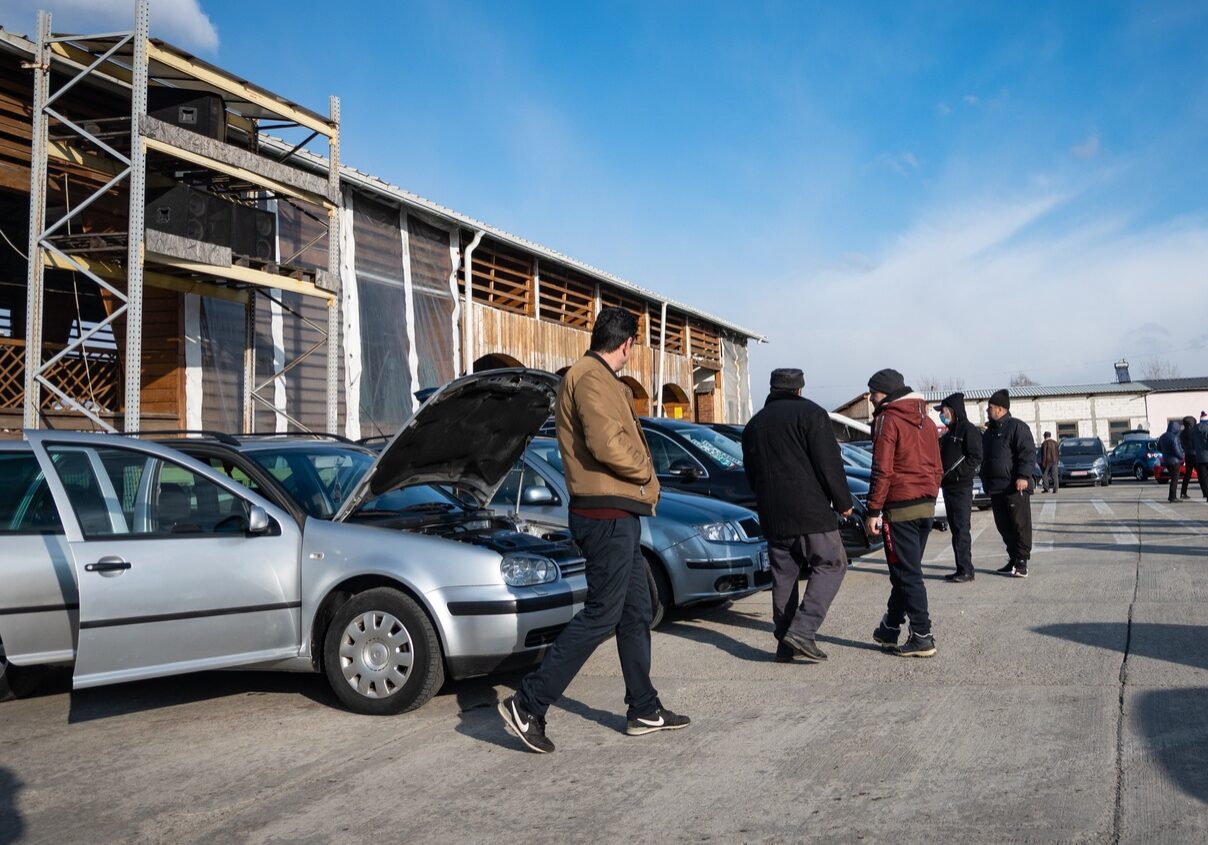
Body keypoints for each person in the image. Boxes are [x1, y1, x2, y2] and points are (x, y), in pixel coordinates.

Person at [498, 307, 689, 753]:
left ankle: (643, 707)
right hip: (605, 515)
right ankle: (528, 704)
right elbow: (607, 443)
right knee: (603, 613)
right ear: (625, 344)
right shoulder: (590, 377)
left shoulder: (598, 378)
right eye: (632, 346)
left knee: (636, 609)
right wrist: (646, 471)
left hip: (616, 512)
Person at [742, 368, 854, 662]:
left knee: (784, 577)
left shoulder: (754, 425)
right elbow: (829, 465)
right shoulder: (812, 415)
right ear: (800, 390)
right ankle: (803, 630)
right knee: (832, 563)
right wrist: (843, 502)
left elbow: (751, 475)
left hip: (773, 517)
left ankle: (785, 645)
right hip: (811, 513)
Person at [864, 369, 943, 658]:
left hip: (900, 508)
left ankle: (922, 634)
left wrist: (874, 509)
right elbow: (938, 465)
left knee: (908, 573)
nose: (870, 398)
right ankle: (890, 628)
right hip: (925, 505)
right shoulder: (927, 421)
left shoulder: (888, 418)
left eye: (872, 392)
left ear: (884, 392)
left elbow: (882, 469)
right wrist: (931, 493)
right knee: (904, 571)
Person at [980, 389, 1036, 578]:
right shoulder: (989, 433)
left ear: (1001, 409)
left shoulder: (1017, 427)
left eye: (990, 408)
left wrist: (1023, 476)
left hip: (1015, 486)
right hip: (996, 488)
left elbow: (1027, 453)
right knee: (1003, 526)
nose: (988, 411)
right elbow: (985, 458)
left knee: (1020, 525)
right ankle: (1013, 558)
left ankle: (1022, 561)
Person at [935, 392, 983, 583]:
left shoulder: (968, 430)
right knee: (955, 529)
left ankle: (966, 570)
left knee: (962, 528)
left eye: (944, 411)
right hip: (948, 487)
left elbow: (976, 457)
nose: (942, 414)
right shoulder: (948, 433)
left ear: (953, 410)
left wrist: (957, 473)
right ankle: (960, 567)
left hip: (961, 487)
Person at [1157, 420, 1185, 504]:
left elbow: (1158, 448)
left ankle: (1171, 496)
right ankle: (1172, 497)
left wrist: (1165, 453)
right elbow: (1177, 451)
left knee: (1172, 478)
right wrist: (1182, 456)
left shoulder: (1162, 436)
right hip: (1175, 461)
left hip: (1166, 460)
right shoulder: (1174, 437)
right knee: (1174, 479)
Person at [1179, 416, 1197, 500]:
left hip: (1187, 455)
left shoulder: (1182, 433)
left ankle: (1183, 492)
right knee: (1202, 474)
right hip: (1195, 454)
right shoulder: (1194, 432)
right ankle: (1205, 492)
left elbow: (1181, 444)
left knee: (1187, 475)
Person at [1195, 413, 1208, 500]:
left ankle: (1206, 493)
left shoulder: (1194, 429)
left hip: (1199, 457)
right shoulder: (1207, 428)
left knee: (1203, 477)